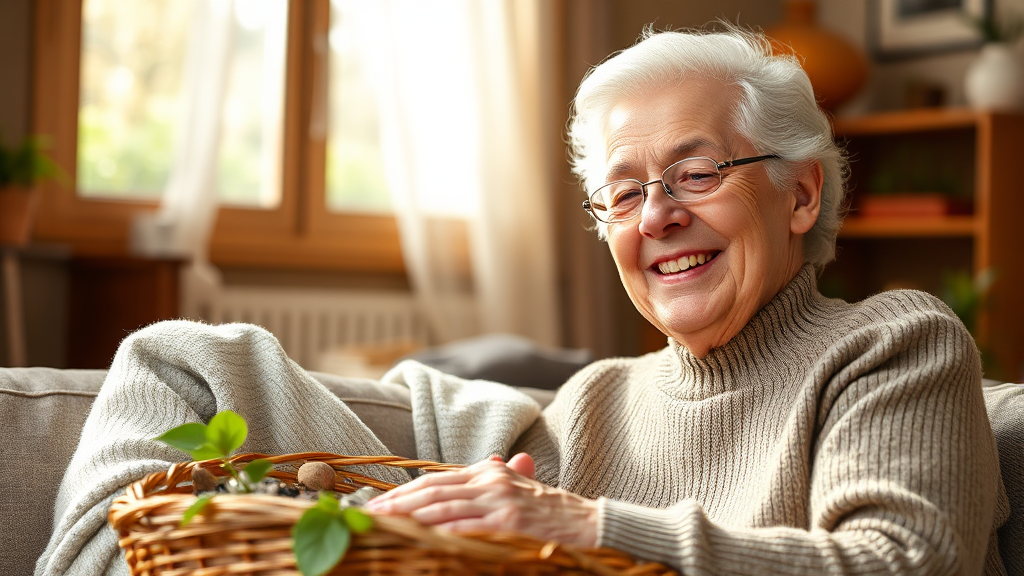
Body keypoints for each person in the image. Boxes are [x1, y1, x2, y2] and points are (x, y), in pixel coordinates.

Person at [37, 26, 1003, 576]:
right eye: (624, 192)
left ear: (801, 194)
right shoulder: (592, 405)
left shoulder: (895, 342)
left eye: (696, 173)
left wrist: (589, 526)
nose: (656, 215)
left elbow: (904, 566)